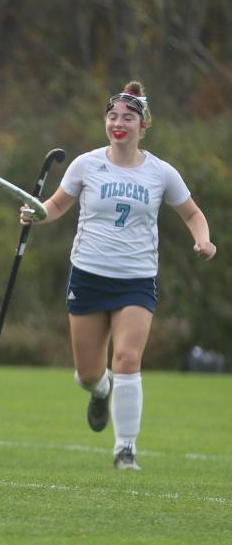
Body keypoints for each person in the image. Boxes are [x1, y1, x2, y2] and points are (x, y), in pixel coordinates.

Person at [20, 81, 216, 470]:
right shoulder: (86, 164)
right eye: (112, 116)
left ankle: (125, 449)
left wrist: (203, 240)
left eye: (128, 117)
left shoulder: (161, 173)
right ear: (105, 123)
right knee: (88, 373)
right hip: (89, 276)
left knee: (127, 359)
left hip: (137, 279)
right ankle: (100, 390)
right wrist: (37, 213)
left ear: (144, 125)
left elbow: (192, 213)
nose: (118, 123)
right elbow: (57, 205)